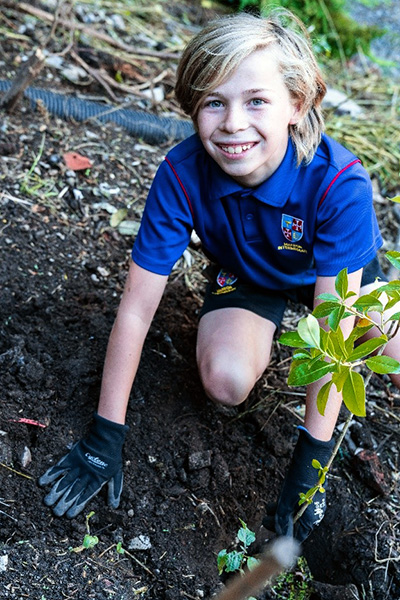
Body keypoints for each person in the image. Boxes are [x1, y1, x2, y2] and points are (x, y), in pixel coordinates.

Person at [38, 9, 399, 541]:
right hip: (249, 274)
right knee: (225, 381)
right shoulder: (181, 176)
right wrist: (104, 435)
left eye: (256, 100)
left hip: (340, 281)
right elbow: (137, 310)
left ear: (296, 105)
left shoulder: (339, 183)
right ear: (192, 108)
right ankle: (262, 333)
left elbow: (332, 335)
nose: (233, 123)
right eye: (214, 102)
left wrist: (310, 469)